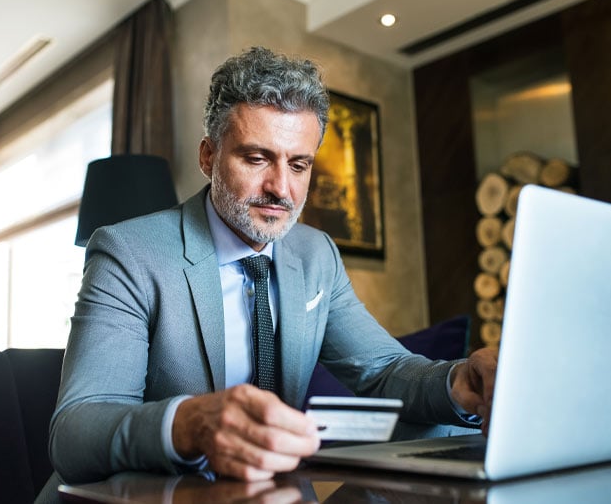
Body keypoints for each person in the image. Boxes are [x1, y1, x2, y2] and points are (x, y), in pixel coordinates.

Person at [48, 46, 497, 486]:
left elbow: (381, 370)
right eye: (256, 158)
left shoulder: (316, 254)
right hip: (153, 494)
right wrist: (189, 424)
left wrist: (459, 382)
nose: (281, 188)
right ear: (209, 157)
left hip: (274, 491)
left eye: (299, 165)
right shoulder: (128, 251)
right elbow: (75, 431)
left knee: (446, 428)